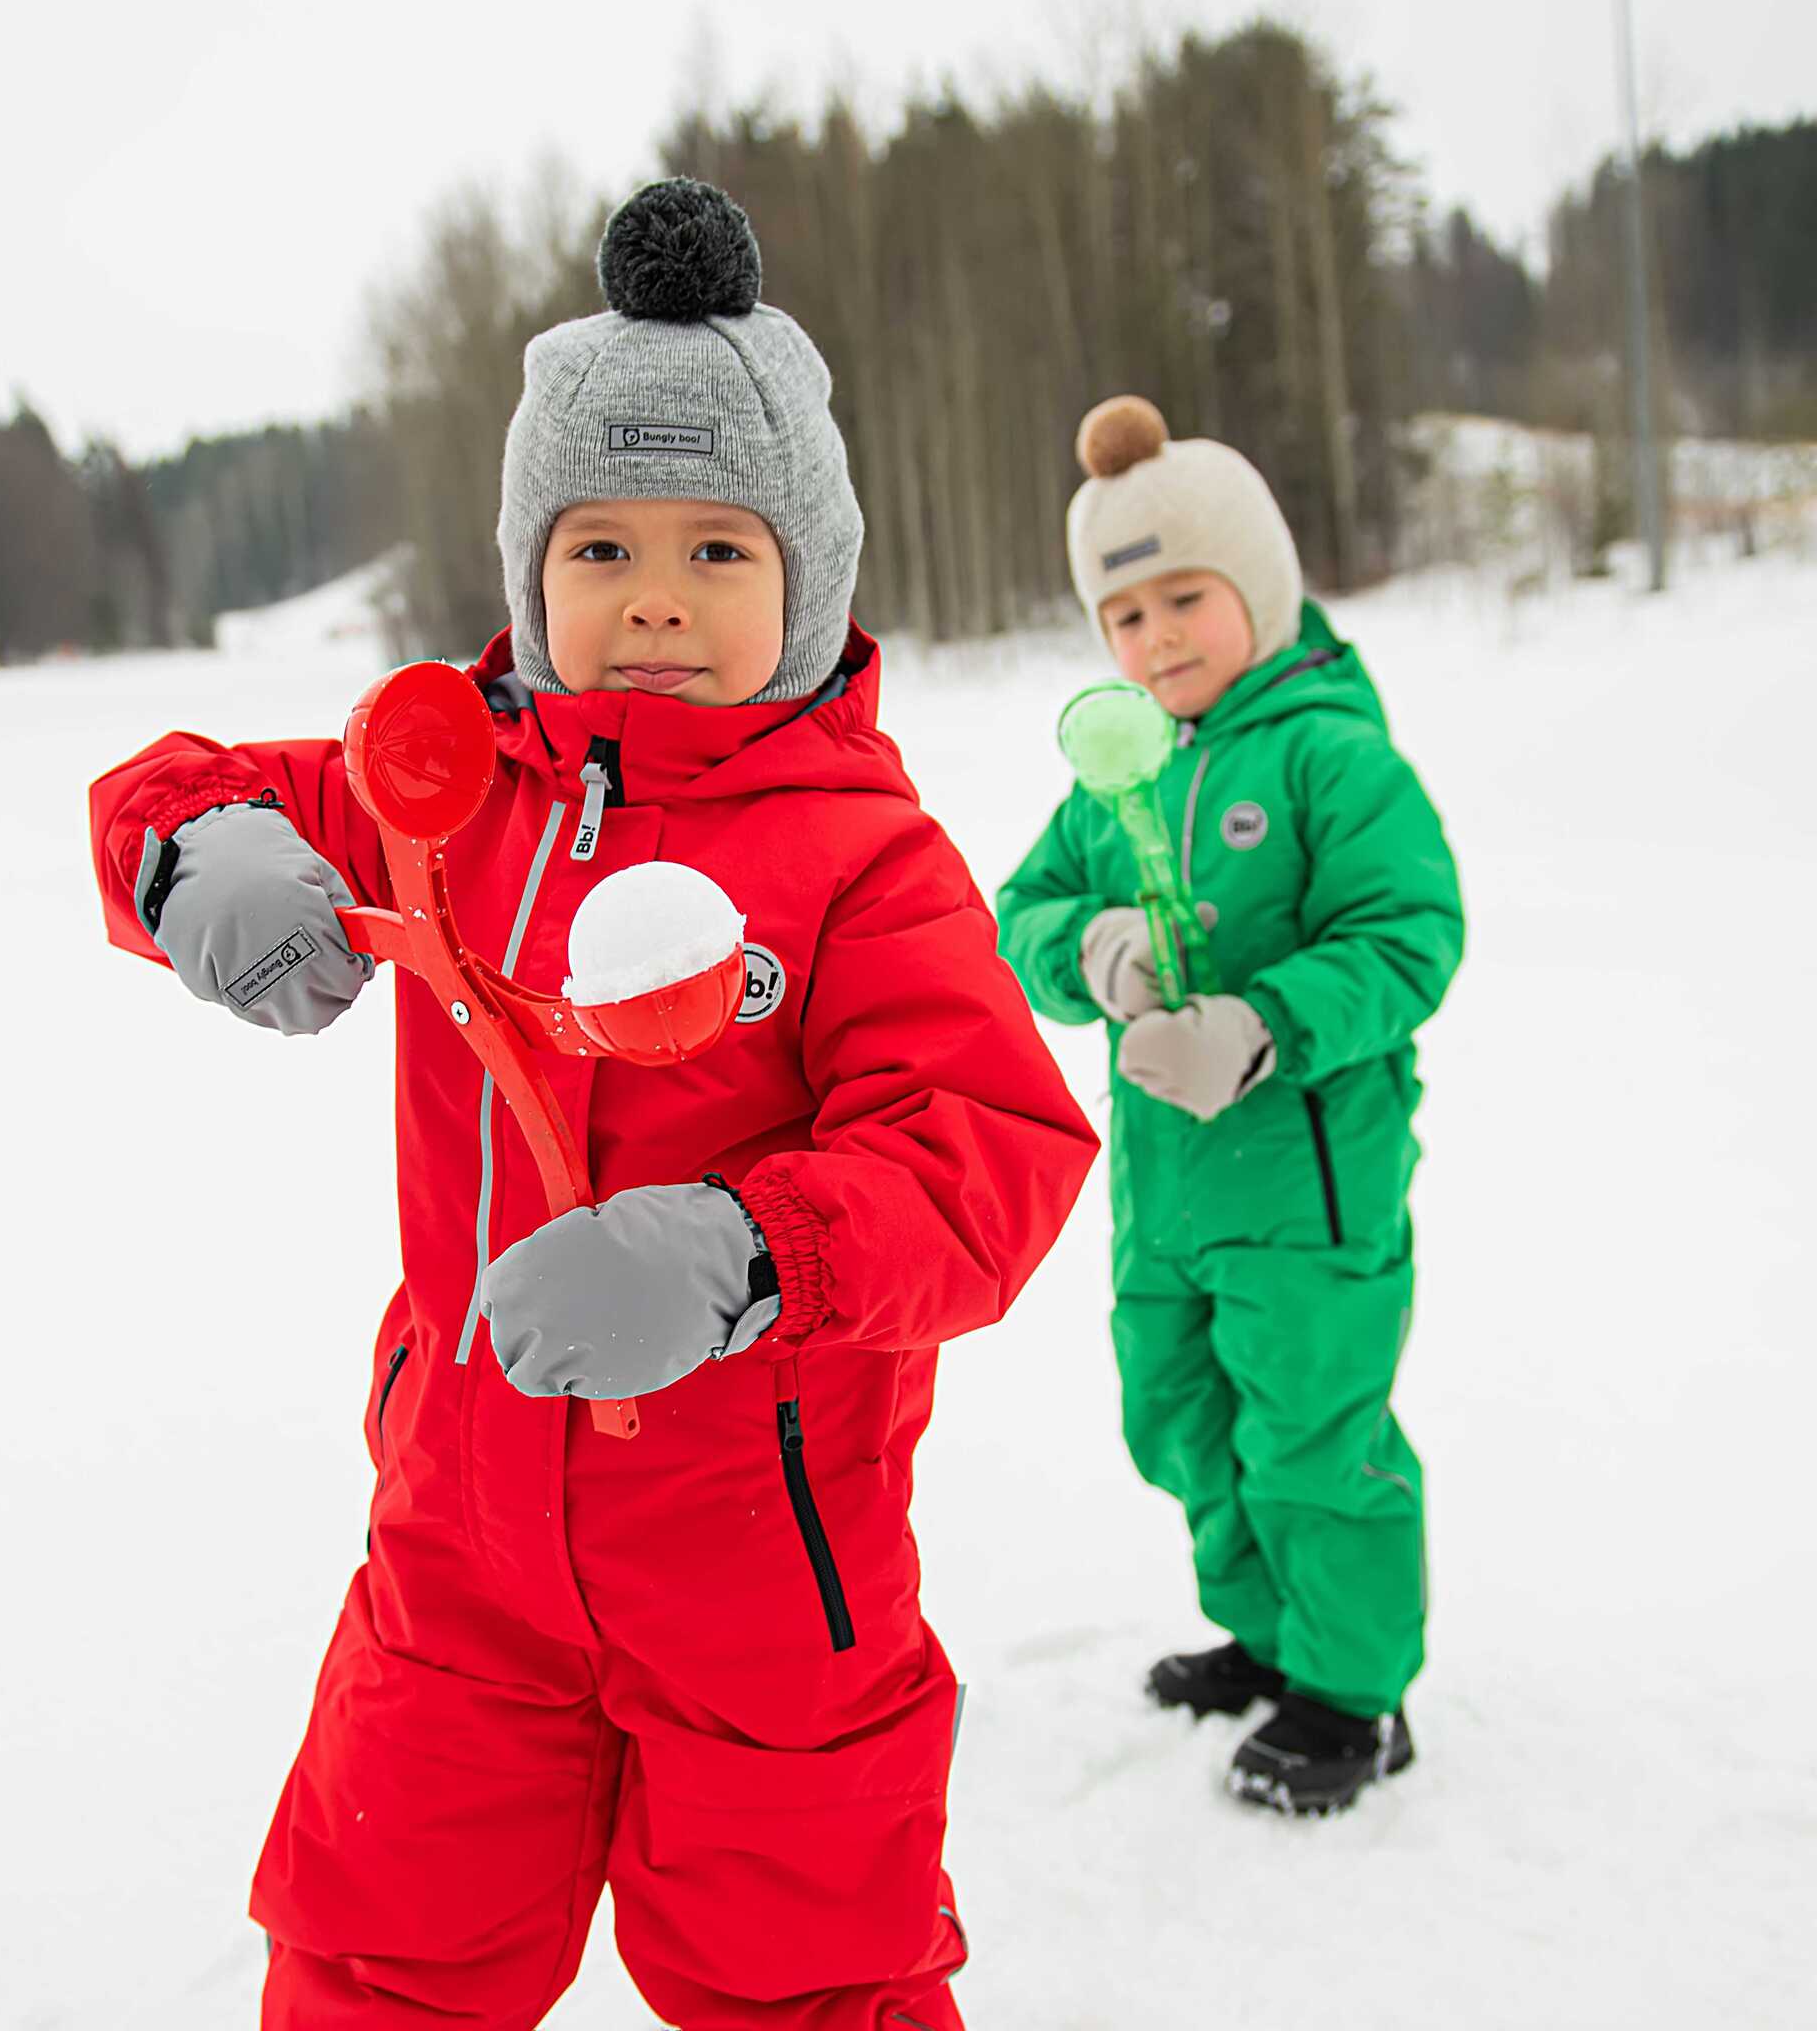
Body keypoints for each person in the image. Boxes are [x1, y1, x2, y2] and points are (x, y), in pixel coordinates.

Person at [88, 179, 1095, 2026]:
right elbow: (177, 778)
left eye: (720, 552)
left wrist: (737, 1248)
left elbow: (990, 1155)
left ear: (811, 577)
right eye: (599, 549)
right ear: (529, 571)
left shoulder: (864, 862)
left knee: (811, 1980)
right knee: (376, 1952)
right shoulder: (446, 788)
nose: (650, 601)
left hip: (769, 1570)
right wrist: (200, 858)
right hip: (462, 1545)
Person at [996, 394, 1463, 1816]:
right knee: (1185, 1419)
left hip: (1309, 1193)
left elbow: (1410, 935)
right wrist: (1094, 949)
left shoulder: (1330, 755)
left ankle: (1351, 1691)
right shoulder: (1119, 774)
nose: (1158, 641)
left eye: (1185, 599)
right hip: (1167, 1201)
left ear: (1256, 587)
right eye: (1124, 619)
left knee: (1314, 1431)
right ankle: (1267, 1638)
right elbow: (1023, 908)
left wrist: (1266, 1024)